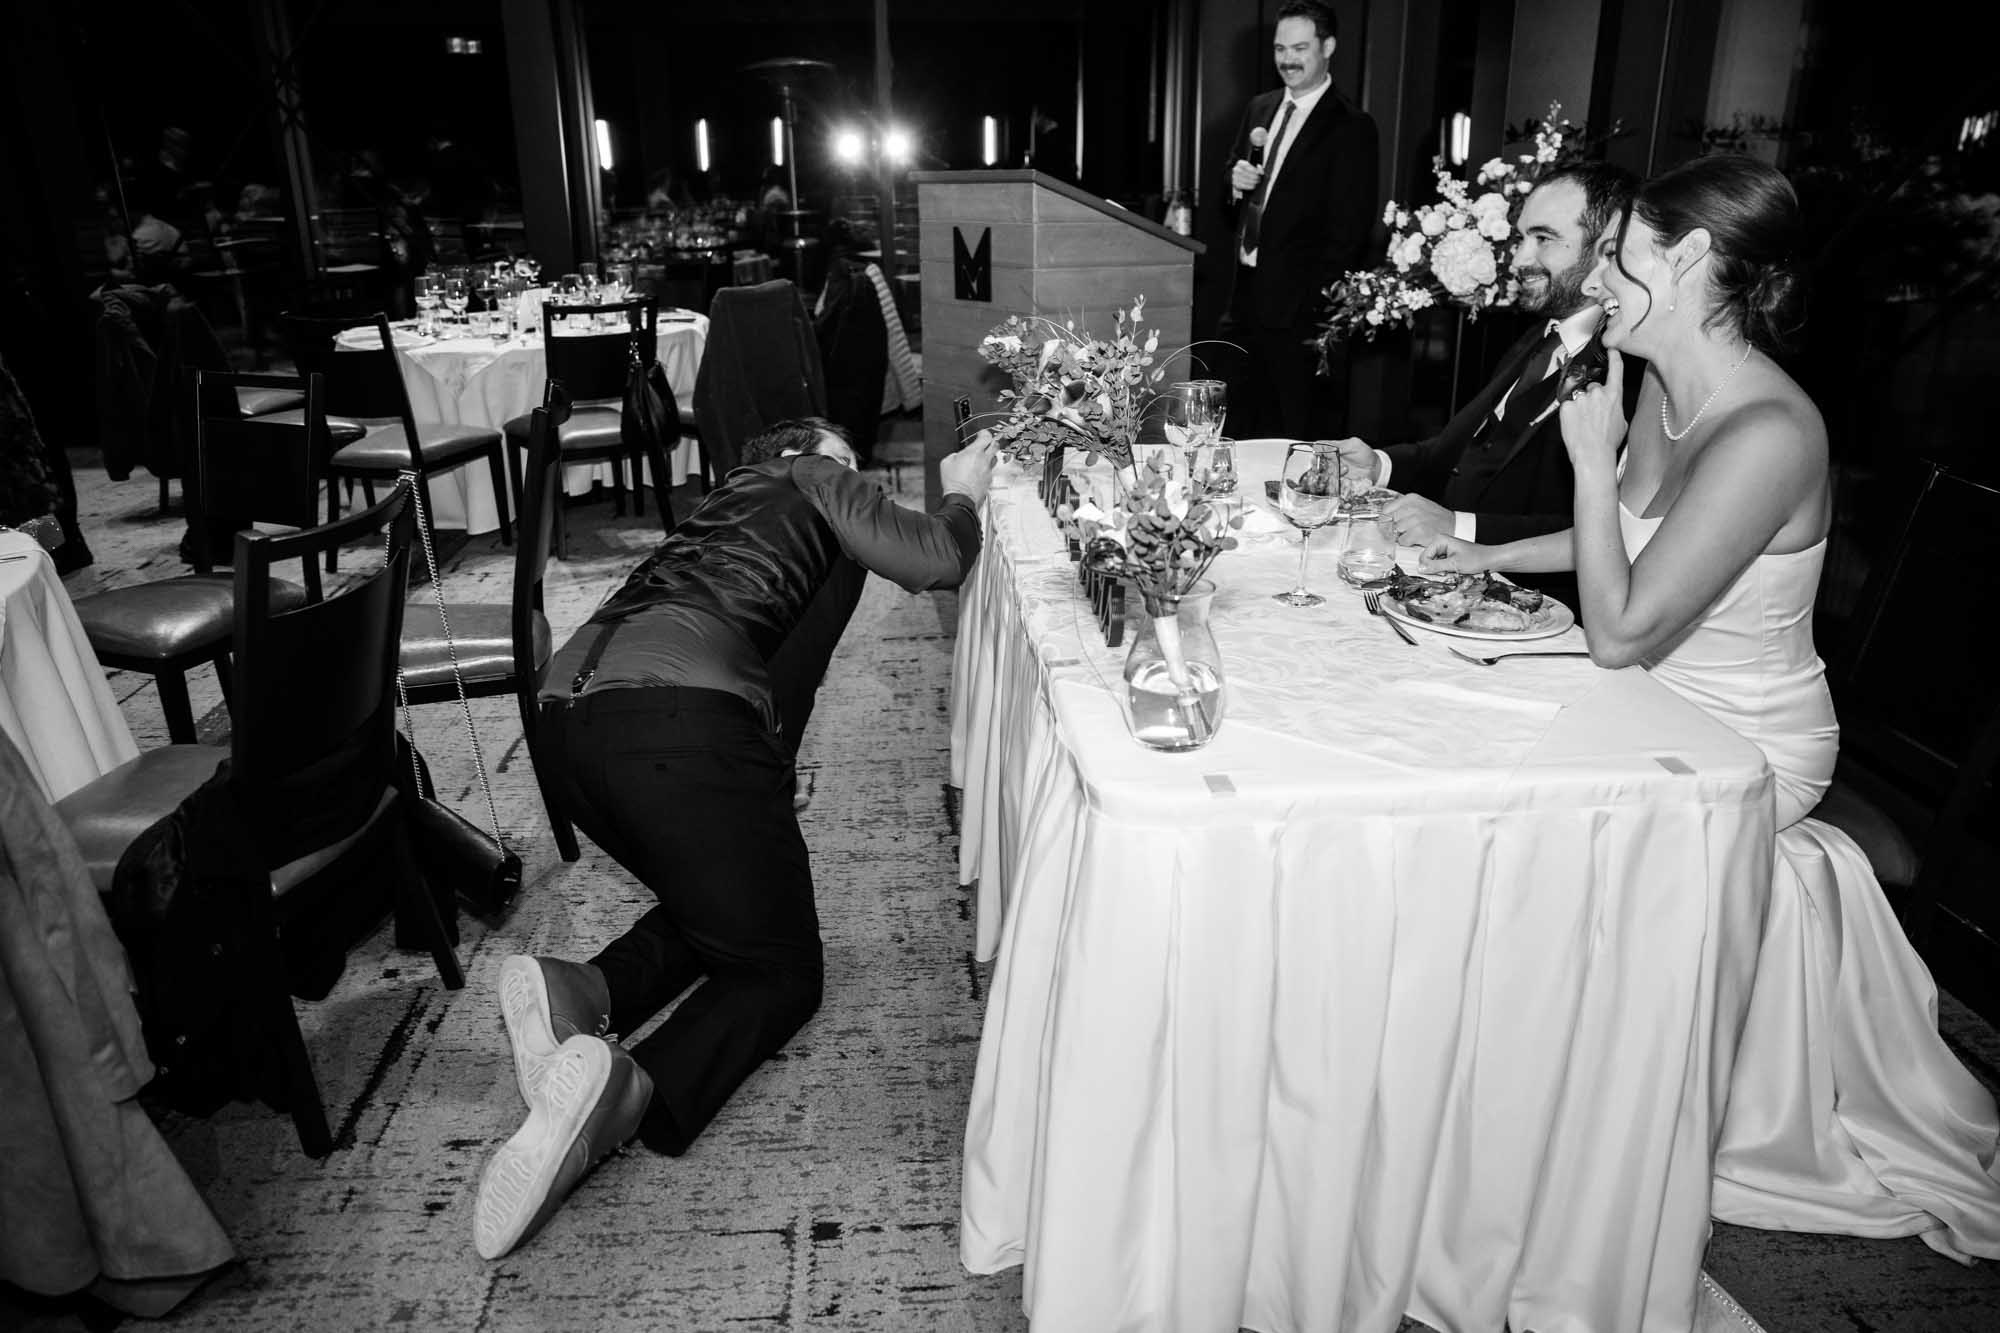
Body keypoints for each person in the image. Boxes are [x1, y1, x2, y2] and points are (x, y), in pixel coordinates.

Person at [1420, 154, 2000, 1260]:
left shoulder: (1768, 433)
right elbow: (1626, 560)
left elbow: (1621, 623)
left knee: (1509, 799)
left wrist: (1586, 467)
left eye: (1620, 252)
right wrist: (1467, 544)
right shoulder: (1662, 386)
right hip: (1645, 696)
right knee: (1450, 717)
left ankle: (1545, 1108)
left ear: (1684, 262)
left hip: (1742, 742)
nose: (1599, 273)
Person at [470, 420, 999, 1261]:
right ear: (809, 453)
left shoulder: (719, 511)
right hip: (676, 724)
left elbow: (784, 676)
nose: (861, 480)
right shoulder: (815, 475)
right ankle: (626, 1088)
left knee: (722, 901)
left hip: (569, 725)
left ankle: (579, 989)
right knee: (784, 972)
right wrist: (965, 486)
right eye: (850, 461)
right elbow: (936, 555)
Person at [1333, 162, 1639, 611]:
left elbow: (1611, 531)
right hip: (1445, 583)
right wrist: (1377, 465)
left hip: (1536, 610)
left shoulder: (1631, 371)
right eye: (1520, 239)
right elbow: (1464, 450)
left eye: (1544, 239)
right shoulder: (1538, 337)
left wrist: (1462, 526)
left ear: (1607, 249)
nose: (1517, 260)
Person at [1219, 0, 1379, 440]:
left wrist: (1307, 311)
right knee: (1237, 431)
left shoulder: (1352, 126)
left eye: (1300, 48)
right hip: (1243, 304)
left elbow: (1348, 234)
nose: (1287, 59)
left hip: (1299, 318)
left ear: (1328, 46)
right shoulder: (1259, 108)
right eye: (1279, 48)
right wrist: (1234, 184)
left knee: (1291, 435)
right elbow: (1229, 210)